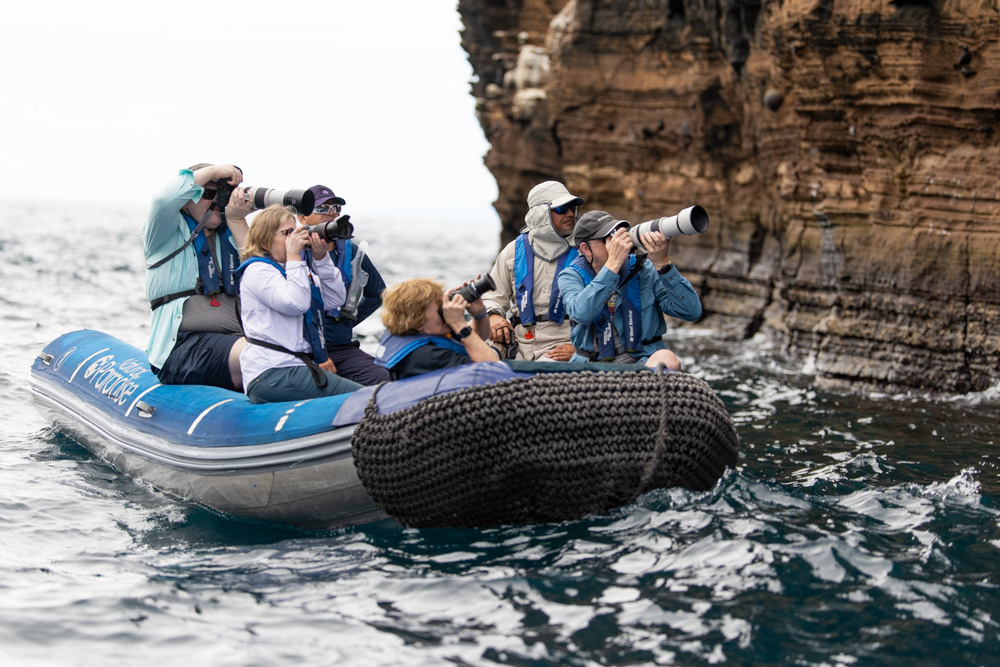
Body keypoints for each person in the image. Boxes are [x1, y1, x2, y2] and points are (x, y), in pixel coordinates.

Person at [143, 163, 256, 391]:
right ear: (188, 198)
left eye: (222, 195)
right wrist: (215, 172)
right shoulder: (165, 233)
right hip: (184, 347)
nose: (216, 201)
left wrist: (237, 219)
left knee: (283, 352)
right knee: (259, 354)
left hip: (235, 341)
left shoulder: (233, 235)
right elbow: (164, 199)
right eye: (208, 194)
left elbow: (262, 274)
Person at [236, 205, 363, 403]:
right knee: (365, 397)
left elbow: (336, 300)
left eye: (295, 231)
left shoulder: (292, 269)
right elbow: (296, 303)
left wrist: (321, 259)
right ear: (265, 240)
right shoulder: (257, 270)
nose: (295, 238)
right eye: (287, 233)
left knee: (367, 394)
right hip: (271, 372)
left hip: (295, 368)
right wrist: (295, 257)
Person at [557, 210, 703, 370]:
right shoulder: (570, 276)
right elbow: (581, 314)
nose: (618, 243)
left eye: (619, 235)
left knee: (667, 359)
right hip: (592, 366)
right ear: (586, 249)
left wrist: (663, 264)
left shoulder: (644, 269)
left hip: (641, 360)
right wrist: (612, 265)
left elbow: (691, 312)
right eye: (608, 239)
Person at [296, 185, 389, 386]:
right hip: (298, 345)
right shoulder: (290, 249)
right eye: (322, 209)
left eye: (336, 208)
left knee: (384, 377)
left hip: (340, 346)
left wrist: (346, 320)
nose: (331, 213)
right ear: (302, 218)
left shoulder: (352, 252)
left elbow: (378, 294)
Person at [482, 180, 583, 361]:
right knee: (475, 357)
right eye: (561, 208)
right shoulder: (512, 251)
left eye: (571, 207)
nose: (570, 213)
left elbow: (606, 309)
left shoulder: (586, 251)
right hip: (516, 345)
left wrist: (581, 349)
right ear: (540, 214)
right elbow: (492, 295)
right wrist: (494, 316)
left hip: (561, 348)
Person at [374, 278, 502, 380]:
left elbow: (476, 338)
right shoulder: (428, 356)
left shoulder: (410, 332)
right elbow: (494, 370)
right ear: (417, 320)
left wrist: (479, 314)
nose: (445, 310)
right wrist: (459, 324)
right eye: (440, 308)